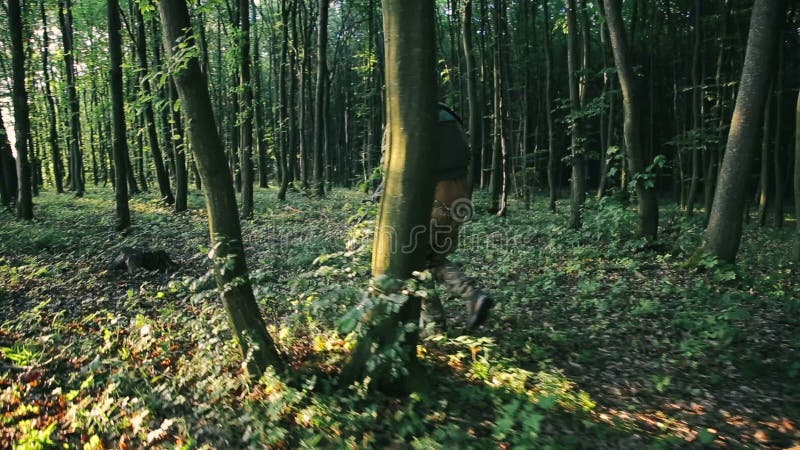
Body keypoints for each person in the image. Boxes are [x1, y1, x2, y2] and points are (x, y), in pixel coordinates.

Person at [373, 103, 493, 332]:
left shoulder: (404, 117)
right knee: (433, 256)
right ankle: (463, 304)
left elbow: (390, 163)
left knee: (422, 261)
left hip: (432, 197)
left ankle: (440, 322)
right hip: (459, 196)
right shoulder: (451, 117)